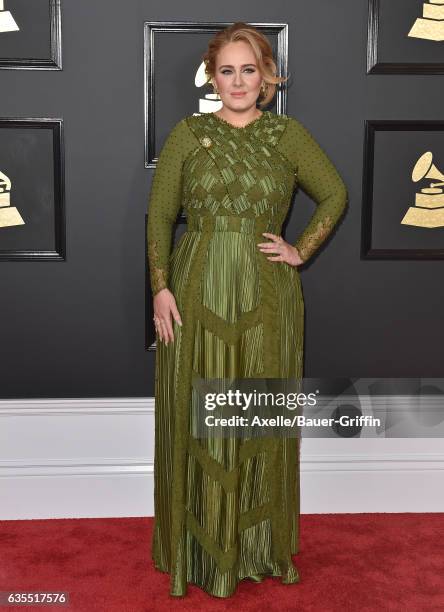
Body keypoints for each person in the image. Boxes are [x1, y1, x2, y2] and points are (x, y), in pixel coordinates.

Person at [146, 22, 348, 598]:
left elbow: (335, 193)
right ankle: (199, 553)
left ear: (267, 78)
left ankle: (254, 549)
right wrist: (160, 286)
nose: (237, 81)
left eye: (249, 69)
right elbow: (161, 215)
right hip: (196, 287)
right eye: (226, 70)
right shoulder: (188, 134)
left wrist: (298, 249)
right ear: (213, 77)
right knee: (198, 415)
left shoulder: (288, 136)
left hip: (265, 292)